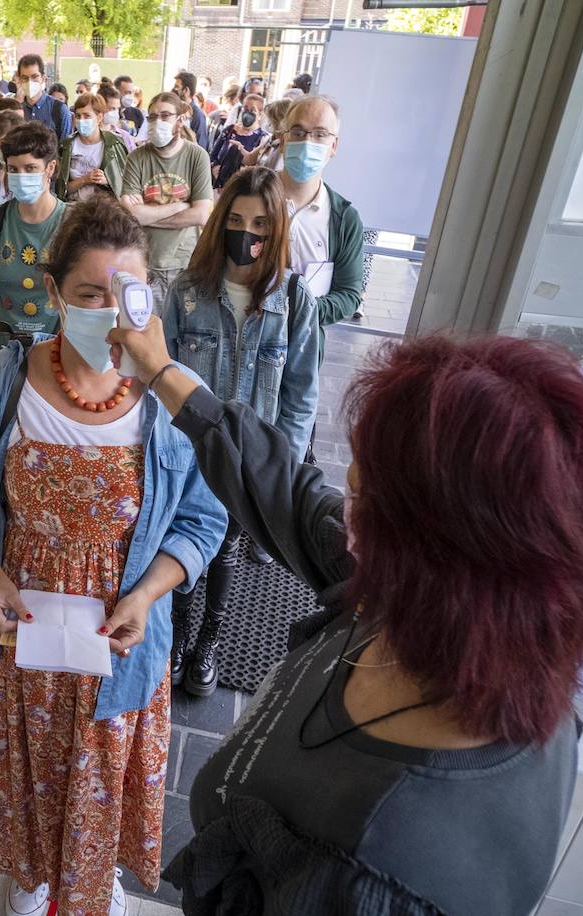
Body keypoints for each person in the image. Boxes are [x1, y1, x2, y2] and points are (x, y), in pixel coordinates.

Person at [112, 323, 583, 916]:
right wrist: (162, 371)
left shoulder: (384, 872)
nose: (345, 514)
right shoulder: (452, 623)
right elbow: (292, 498)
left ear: (438, 552)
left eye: (362, 498)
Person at [0, 198, 227, 916]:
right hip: (22, 631)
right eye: (89, 294)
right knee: (28, 762)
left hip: (121, 639)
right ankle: (33, 874)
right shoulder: (3, 382)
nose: (110, 311)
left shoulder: (173, 400)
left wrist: (148, 593)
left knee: (103, 764)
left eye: (126, 294)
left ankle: (98, 876)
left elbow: (203, 516)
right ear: (55, 291)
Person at [162, 167, 321, 696]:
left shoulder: (293, 300)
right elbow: (158, 371)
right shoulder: (187, 292)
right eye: (234, 220)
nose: (246, 234)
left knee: (230, 550)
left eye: (259, 223)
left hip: (250, 459)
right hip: (187, 455)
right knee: (186, 545)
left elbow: (300, 394)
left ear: (276, 231)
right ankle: (181, 635)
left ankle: (210, 639)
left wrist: (281, 473)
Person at [0, 121, 67, 364]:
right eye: (13, 169)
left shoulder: (71, 223)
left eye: (30, 168)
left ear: (50, 168)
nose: (20, 176)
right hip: (6, 348)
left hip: (59, 349)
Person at [120, 92, 213, 312]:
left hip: (185, 264)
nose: (157, 122)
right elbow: (131, 216)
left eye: (165, 116)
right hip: (145, 264)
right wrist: (180, 206)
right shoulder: (137, 157)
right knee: (146, 332)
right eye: (152, 117)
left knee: (181, 335)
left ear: (180, 120)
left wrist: (146, 214)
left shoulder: (197, 157)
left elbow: (201, 215)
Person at [276, 95, 364, 326]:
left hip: (302, 350)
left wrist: (293, 312)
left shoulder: (344, 219)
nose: (307, 142)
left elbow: (348, 295)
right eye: (298, 132)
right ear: (283, 140)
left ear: (333, 146)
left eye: (320, 134)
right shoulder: (247, 199)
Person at [57, 92, 129, 203]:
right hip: (72, 206)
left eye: (87, 116)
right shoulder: (66, 145)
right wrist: (85, 179)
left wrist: (108, 180)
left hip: (105, 208)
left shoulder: (115, 143)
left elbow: (125, 183)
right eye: (78, 116)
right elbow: (61, 189)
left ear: (99, 117)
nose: (81, 120)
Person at [208, 92, 267, 189]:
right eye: (245, 108)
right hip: (217, 184)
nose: (247, 112)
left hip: (241, 187)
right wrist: (214, 167)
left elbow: (258, 167)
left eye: (252, 110)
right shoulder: (230, 130)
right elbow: (213, 154)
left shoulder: (262, 138)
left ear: (260, 114)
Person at [16, 54, 72, 138]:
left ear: (42, 78)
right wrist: (16, 106)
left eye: (34, 77)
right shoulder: (15, 109)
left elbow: (65, 147)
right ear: (19, 80)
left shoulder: (59, 109)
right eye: (25, 78)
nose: (30, 82)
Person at [95, 83, 138, 151]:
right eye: (112, 108)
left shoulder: (124, 136)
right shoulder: (91, 135)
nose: (116, 113)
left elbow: (134, 159)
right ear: (100, 107)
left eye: (117, 108)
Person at [113, 74, 146, 142]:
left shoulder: (137, 113)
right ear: (116, 92)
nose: (130, 96)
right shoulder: (109, 114)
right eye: (127, 92)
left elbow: (142, 139)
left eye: (131, 93)